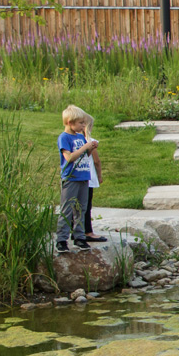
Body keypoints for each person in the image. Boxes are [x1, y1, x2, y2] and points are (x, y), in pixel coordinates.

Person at [57, 105, 98, 252]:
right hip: (71, 178)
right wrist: (84, 147)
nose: (83, 126)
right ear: (70, 122)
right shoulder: (64, 138)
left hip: (83, 177)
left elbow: (83, 156)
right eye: (80, 123)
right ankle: (61, 239)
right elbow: (69, 158)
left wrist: (90, 149)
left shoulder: (80, 137)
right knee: (67, 208)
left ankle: (80, 237)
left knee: (81, 208)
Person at [78, 111, 107, 243]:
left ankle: (77, 230)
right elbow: (96, 161)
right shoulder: (90, 142)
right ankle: (88, 231)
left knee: (77, 205)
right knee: (87, 204)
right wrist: (99, 176)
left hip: (77, 176)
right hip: (88, 177)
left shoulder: (75, 141)